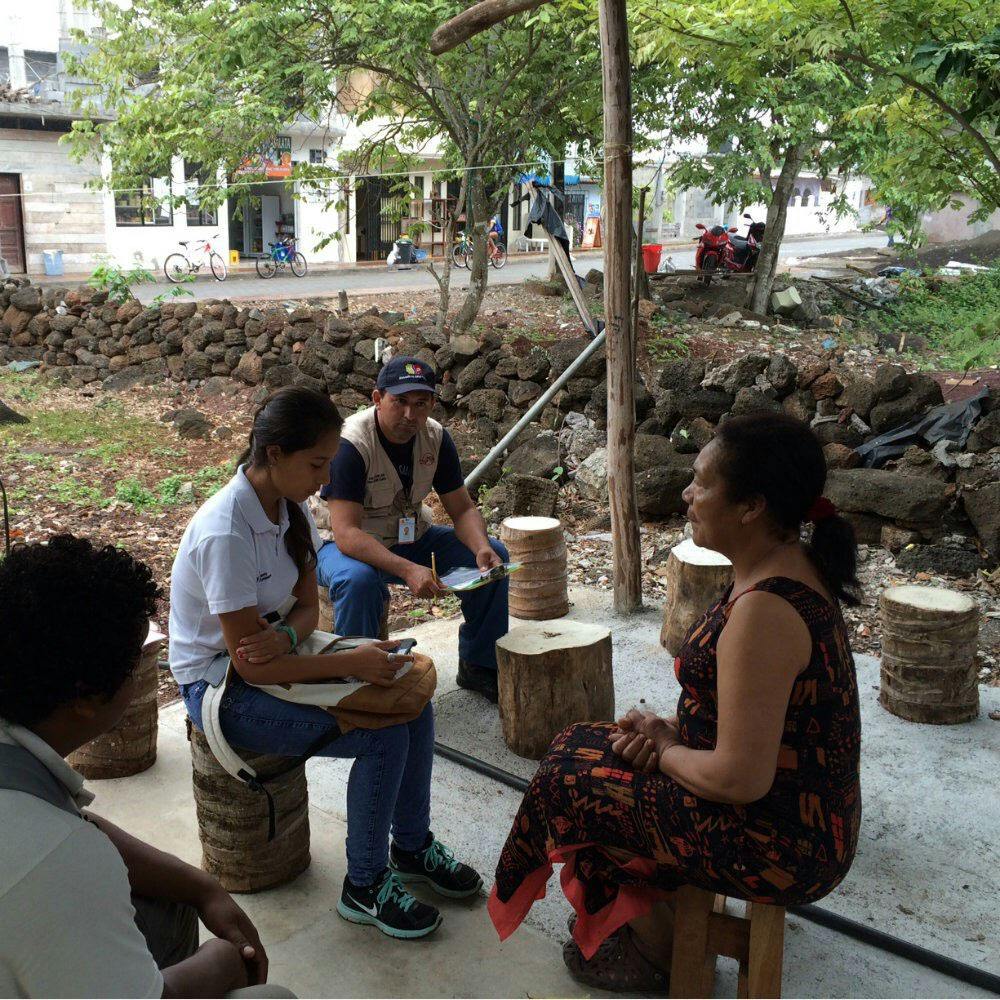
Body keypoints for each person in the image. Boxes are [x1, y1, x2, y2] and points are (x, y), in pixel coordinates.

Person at [488, 412, 863, 993]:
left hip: (782, 840)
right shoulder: (775, 568)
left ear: (751, 507)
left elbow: (740, 779)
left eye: (701, 482)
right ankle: (643, 923)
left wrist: (665, 749)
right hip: (781, 810)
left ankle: (657, 950)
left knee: (571, 785)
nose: (687, 494)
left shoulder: (767, 609)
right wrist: (668, 730)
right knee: (577, 747)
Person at [170, 385, 482, 943]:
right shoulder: (226, 531)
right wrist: (352, 661)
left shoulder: (290, 509)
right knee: (383, 734)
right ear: (272, 454)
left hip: (275, 655)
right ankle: (363, 885)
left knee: (412, 697)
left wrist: (290, 634)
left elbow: (312, 608)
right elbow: (254, 669)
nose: (324, 479)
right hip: (219, 686)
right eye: (316, 464)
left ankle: (410, 847)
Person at [0, 535, 293, 998]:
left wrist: (203, 887)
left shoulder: (28, 799)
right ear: (88, 696)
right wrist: (220, 965)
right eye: (138, 655)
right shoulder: (59, 862)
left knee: (166, 901)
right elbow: (61, 846)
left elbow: (72, 820)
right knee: (272, 998)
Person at [316, 356, 510, 703]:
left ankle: (479, 666)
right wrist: (408, 570)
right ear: (378, 398)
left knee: (494, 561)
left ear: (432, 404)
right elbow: (345, 533)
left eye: (420, 404)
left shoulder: (436, 437)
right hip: (342, 545)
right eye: (399, 402)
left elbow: (462, 507)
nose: (410, 415)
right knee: (358, 581)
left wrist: (480, 546)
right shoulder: (351, 444)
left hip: (411, 536)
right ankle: (354, 683)